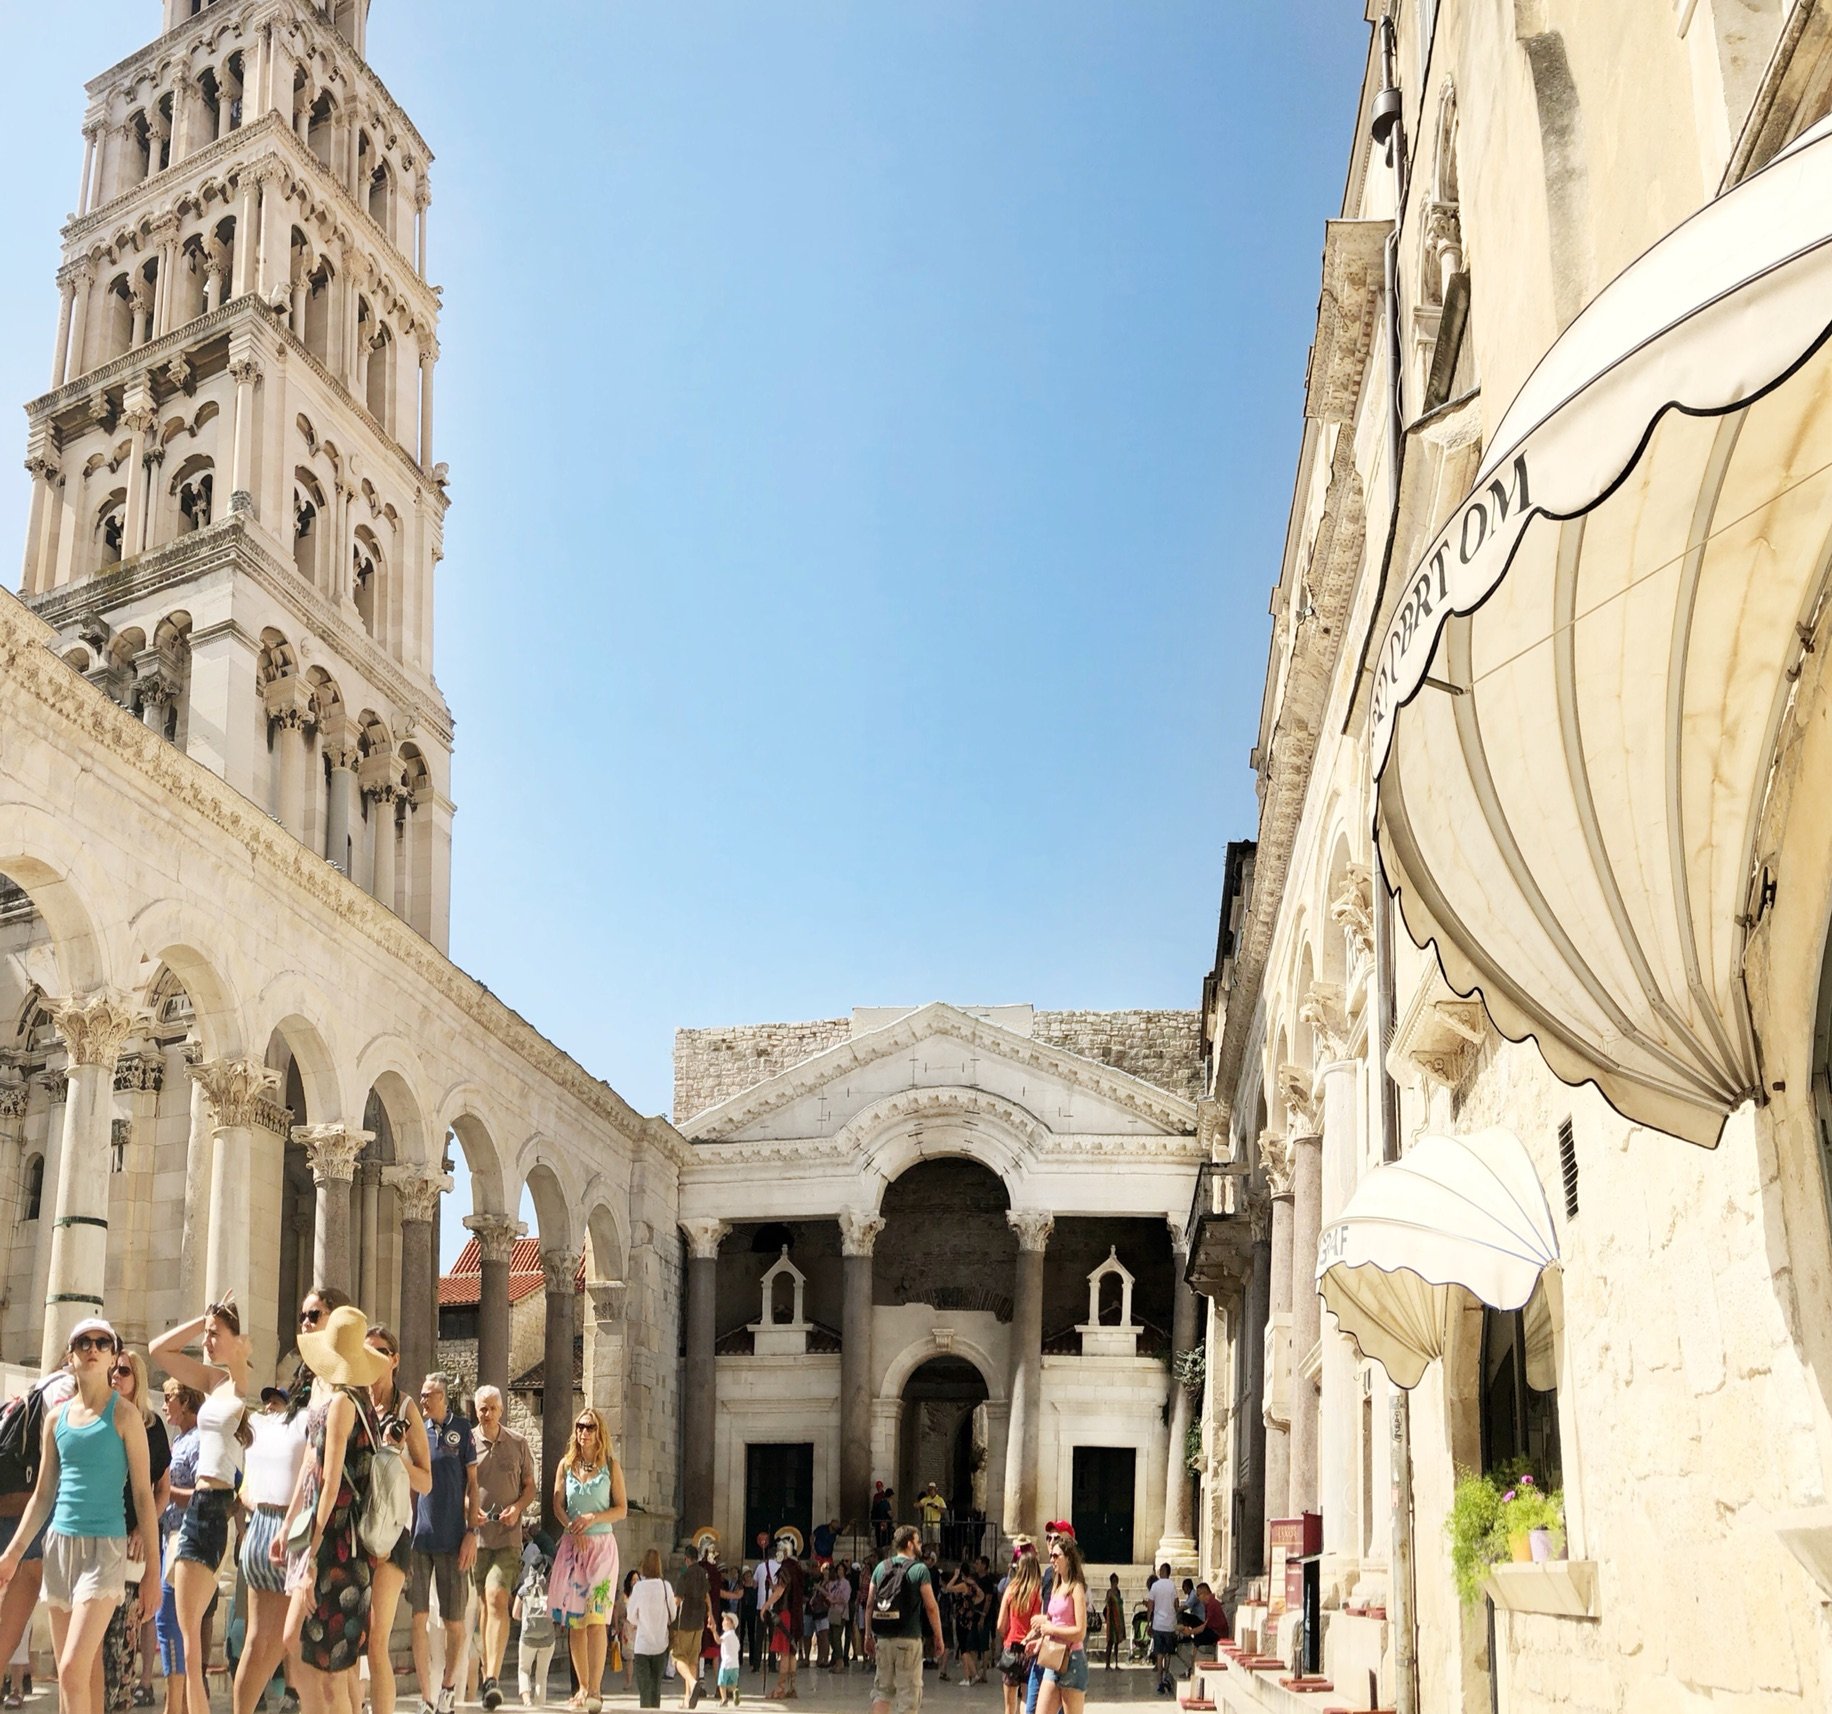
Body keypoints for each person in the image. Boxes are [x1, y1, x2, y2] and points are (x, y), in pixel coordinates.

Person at [0, 1318, 160, 1714]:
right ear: (70, 1356)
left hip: (106, 1549)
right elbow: (43, 1496)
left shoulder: (126, 1416)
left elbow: (144, 1496)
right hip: (58, 1548)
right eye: (83, 1342)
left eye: (102, 1343)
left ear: (113, 1355)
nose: (92, 1348)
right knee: (75, 1673)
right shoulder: (55, 1419)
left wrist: (153, 1573)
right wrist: (13, 1554)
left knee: (72, 1667)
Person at [151, 1295, 253, 1714]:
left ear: (235, 1339)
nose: (208, 1341)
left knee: (191, 1643)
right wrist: (203, 1319)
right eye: (207, 1335)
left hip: (213, 1506)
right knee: (188, 1641)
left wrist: (236, 1345)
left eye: (215, 1335)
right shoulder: (212, 1382)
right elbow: (159, 1350)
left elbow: (241, 1371)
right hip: (199, 1510)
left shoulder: (238, 1382)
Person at [280, 1302, 383, 1714]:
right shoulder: (357, 1402)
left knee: (329, 1671)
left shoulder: (343, 1404)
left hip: (339, 1547)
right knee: (303, 1648)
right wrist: (292, 1526)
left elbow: (331, 1485)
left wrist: (309, 1555)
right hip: (340, 1543)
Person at [230, 1362, 309, 1714]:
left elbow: (245, 1488)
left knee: (257, 1641)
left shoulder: (260, 1427)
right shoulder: (309, 1422)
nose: (269, 1405)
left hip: (259, 1527)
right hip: (289, 1528)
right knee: (294, 1641)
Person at [361, 1326, 431, 1714]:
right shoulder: (353, 1402)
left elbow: (426, 1481)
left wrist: (395, 1455)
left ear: (395, 1359)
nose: (373, 1358)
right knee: (352, 1640)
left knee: (376, 1639)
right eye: (367, 1351)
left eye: (381, 1351)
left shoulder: (406, 1410)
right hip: (353, 1527)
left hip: (391, 1532)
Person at [102, 1350, 171, 1714]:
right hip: (97, 1537)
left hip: (132, 1543)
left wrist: (144, 1531)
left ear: (138, 1379)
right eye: (112, 1369)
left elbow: (161, 1490)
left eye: (124, 1370)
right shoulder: (97, 1419)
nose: (115, 1375)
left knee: (123, 1638)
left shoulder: (152, 1427)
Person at [548, 1406, 626, 1713]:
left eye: (590, 1427)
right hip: (573, 1549)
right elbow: (557, 1504)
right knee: (575, 1622)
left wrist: (594, 1517)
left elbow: (621, 1509)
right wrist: (570, 1526)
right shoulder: (566, 1464)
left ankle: (596, 1688)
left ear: (599, 1431)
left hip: (601, 1547)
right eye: (580, 1426)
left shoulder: (611, 1466)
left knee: (596, 1620)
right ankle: (581, 1687)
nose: (584, 1432)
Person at [408, 1373, 477, 1714]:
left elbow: (473, 1484)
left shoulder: (462, 1430)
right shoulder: (416, 1430)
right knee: (418, 1618)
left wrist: (472, 1532)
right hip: (420, 1538)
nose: (423, 1400)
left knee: (454, 1621)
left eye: (429, 1395)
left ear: (443, 1397)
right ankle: (426, 1697)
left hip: (453, 1538)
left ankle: (448, 1687)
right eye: (421, 1394)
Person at [469, 1384, 534, 1712]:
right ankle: (486, 1672)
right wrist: (470, 1508)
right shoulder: (467, 1443)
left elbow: (530, 1487)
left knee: (497, 1598)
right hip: (477, 1538)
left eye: (493, 1407)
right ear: (476, 1410)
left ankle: (493, 1676)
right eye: (483, 1408)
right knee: (485, 1605)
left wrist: (518, 1508)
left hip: (508, 1538)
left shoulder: (518, 1443)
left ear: (501, 1410)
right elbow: (459, 1486)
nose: (488, 1413)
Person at [866, 1524, 943, 1714]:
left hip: (883, 1639)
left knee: (882, 1692)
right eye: (918, 1541)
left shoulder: (880, 1568)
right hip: (908, 1639)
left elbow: (869, 1604)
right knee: (908, 1696)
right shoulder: (920, 1570)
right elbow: (931, 1607)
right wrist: (938, 1636)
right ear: (910, 1544)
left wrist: (868, 1635)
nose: (921, 1545)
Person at [1028, 1536, 1086, 1714]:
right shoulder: (1056, 1587)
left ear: (1068, 1558)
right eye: (1051, 1556)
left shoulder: (1076, 1589)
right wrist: (1040, 1641)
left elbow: (1080, 1632)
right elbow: (1053, 1620)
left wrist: (1051, 1629)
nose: (1051, 1559)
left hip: (1072, 1659)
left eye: (1056, 1556)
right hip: (1053, 1658)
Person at [624, 1549, 677, 1711]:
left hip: (643, 1645)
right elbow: (673, 1614)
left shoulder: (639, 1588)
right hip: (661, 1644)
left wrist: (641, 1619)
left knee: (644, 1690)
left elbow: (631, 1616)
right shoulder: (666, 1586)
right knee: (656, 1687)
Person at [995, 1549, 1040, 1714]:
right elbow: (1036, 1625)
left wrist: (1006, 1636)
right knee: (1026, 1699)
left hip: (1011, 1647)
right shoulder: (1037, 1592)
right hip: (1030, 1649)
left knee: (1009, 1705)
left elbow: (1001, 1625)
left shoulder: (1010, 1589)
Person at [669, 1545, 710, 1709]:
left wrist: (667, 1614)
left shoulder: (684, 1575)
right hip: (699, 1622)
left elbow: (677, 1600)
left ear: (686, 1559)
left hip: (685, 1622)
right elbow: (707, 1596)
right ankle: (688, 1698)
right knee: (693, 1660)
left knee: (678, 1657)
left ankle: (693, 1683)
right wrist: (711, 1615)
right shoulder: (703, 1573)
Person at [513, 1552, 555, 1706]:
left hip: (528, 1637)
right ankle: (540, 1705)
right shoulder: (552, 1589)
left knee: (524, 1669)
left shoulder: (524, 1588)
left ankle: (527, 1701)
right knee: (542, 1676)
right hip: (548, 1637)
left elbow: (514, 1614)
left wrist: (525, 1619)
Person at [942, 1562, 982, 1686]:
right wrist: (972, 1603)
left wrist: (955, 1576)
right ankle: (974, 1674)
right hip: (969, 1619)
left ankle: (967, 1677)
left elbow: (948, 1588)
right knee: (965, 1648)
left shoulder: (963, 1585)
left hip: (961, 1619)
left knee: (963, 1648)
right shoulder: (972, 1584)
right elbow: (981, 1595)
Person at [1145, 1565, 1179, 1697]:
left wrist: (1149, 1622)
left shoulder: (1155, 1586)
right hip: (1169, 1624)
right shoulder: (1172, 1586)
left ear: (1162, 1571)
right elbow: (1176, 1604)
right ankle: (1165, 1677)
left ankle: (1160, 1682)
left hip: (1158, 1624)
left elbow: (1150, 1606)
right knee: (1168, 1653)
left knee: (1159, 1653)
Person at [746, 1540, 773, 1677]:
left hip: (761, 1605)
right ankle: (772, 1664)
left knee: (759, 1637)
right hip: (773, 1606)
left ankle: (756, 1665)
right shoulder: (780, 1567)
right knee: (773, 1637)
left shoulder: (761, 1567)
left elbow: (755, 1584)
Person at [1177, 1583, 1228, 1654]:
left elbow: (1204, 1627)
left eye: (1198, 1595)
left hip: (1218, 1633)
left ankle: (1194, 1659)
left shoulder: (1212, 1604)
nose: (1198, 1598)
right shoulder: (1209, 1604)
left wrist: (1190, 1632)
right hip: (1211, 1629)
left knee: (1198, 1638)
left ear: (1204, 1594)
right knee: (1191, 1618)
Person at [715, 1612, 740, 1706]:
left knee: (722, 1683)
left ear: (732, 1624)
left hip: (726, 1664)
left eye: (725, 1620)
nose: (723, 1622)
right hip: (735, 1664)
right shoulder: (735, 1637)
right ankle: (735, 1691)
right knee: (732, 1684)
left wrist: (713, 1631)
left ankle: (724, 1699)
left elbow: (718, 1641)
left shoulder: (727, 1634)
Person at [1101, 1577, 1123, 1672]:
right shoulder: (1109, 1593)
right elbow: (1107, 1606)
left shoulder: (1118, 1592)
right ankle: (1107, 1664)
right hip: (1111, 1621)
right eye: (1113, 1582)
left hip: (1118, 1620)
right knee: (1110, 1643)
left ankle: (1116, 1663)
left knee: (1117, 1643)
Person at [869, 1485, 892, 1556]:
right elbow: (890, 1514)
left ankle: (880, 1556)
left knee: (879, 1543)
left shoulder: (880, 1502)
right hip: (884, 1526)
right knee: (885, 1544)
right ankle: (883, 1556)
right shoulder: (886, 1503)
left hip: (878, 1526)